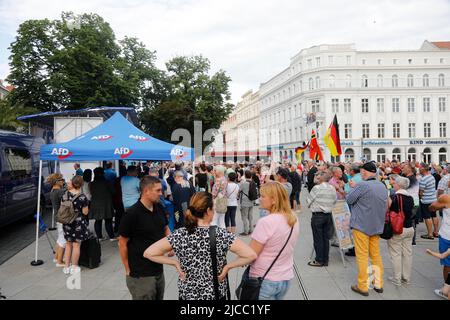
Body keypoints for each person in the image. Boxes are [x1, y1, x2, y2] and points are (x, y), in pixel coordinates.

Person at [143, 192, 257, 300]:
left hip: (188, 293)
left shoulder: (180, 234)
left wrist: (175, 263)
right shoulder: (221, 234)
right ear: (208, 210)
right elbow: (250, 255)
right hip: (214, 293)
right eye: (213, 208)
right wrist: (228, 267)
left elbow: (149, 253)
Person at [118, 176, 170, 300]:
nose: (161, 193)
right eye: (157, 190)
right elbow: (122, 243)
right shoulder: (132, 214)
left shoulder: (159, 208)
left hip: (158, 268)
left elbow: (166, 227)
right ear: (146, 191)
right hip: (141, 273)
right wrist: (127, 269)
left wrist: (171, 243)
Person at [249, 181, 300, 300]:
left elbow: (251, 254)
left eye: (262, 196)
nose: (259, 199)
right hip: (285, 277)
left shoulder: (265, 222)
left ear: (274, 200)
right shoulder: (293, 218)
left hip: (265, 279)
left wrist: (229, 266)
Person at [346, 161, 388, 296]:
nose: (361, 173)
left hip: (361, 226)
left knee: (362, 256)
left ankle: (363, 286)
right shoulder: (382, 185)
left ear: (364, 172)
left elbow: (349, 199)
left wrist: (353, 187)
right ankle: (378, 283)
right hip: (376, 225)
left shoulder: (363, 185)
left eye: (362, 171)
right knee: (375, 255)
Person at [386, 175, 415, 286]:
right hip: (410, 228)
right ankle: (406, 278)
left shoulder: (394, 197)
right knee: (408, 254)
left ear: (398, 185)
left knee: (395, 254)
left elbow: (386, 210)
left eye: (394, 184)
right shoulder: (410, 197)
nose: (393, 185)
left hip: (398, 228)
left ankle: (396, 278)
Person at [306, 171, 337, 267]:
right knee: (325, 239)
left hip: (318, 215)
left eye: (318, 176)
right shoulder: (332, 188)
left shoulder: (317, 188)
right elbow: (335, 200)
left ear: (321, 178)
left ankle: (319, 260)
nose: (317, 177)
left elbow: (308, 201)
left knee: (318, 239)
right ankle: (325, 259)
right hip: (328, 215)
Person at [62, 176, 90, 275]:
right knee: (76, 245)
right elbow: (85, 212)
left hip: (67, 222)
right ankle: (74, 266)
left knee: (68, 244)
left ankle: (66, 267)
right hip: (78, 223)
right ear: (81, 184)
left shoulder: (65, 195)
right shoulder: (82, 197)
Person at [428, 194, 450, 299]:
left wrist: (439, 203)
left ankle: (446, 290)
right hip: (446, 235)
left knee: (447, 264)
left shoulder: (446, 198)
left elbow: (432, 207)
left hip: (447, 236)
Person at [89, 167, 116, 241]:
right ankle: (111, 237)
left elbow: (91, 192)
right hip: (106, 203)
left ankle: (99, 237)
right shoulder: (107, 182)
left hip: (95, 203)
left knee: (98, 221)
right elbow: (113, 191)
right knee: (108, 221)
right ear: (103, 174)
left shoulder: (92, 183)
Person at [47, 173, 66, 267]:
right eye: (61, 180)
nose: (63, 181)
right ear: (57, 181)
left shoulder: (53, 190)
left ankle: (56, 257)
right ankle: (60, 262)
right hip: (62, 217)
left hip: (58, 217)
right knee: (63, 239)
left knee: (59, 238)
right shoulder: (59, 191)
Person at [419, 164, 439, 239]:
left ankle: (430, 234)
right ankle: (436, 232)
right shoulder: (431, 176)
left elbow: (421, 192)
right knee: (434, 215)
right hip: (433, 199)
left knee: (427, 217)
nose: (419, 169)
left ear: (424, 169)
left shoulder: (423, 179)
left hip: (426, 200)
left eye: (420, 168)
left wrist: (420, 198)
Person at [239, 170, 255, 236]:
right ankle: (251, 230)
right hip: (251, 201)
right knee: (250, 217)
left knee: (244, 217)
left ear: (245, 176)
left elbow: (239, 190)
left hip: (245, 202)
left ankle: (245, 231)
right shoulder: (253, 182)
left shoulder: (243, 183)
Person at [113, 166, 127, 235]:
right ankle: (123, 230)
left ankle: (116, 229)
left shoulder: (117, 179)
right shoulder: (127, 180)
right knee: (124, 216)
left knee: (118, 216)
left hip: (117, 200)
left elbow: (114, 190)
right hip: (124, 199)